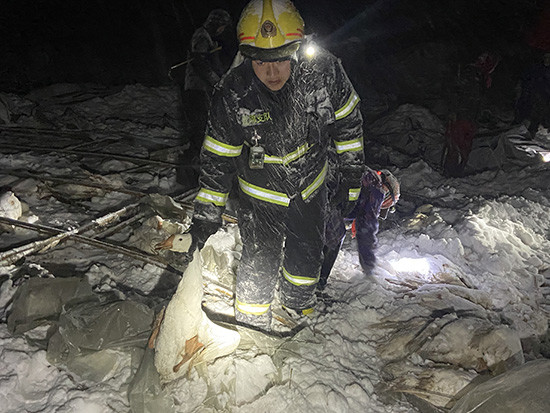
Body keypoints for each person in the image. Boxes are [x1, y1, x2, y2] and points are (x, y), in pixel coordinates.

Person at [187, 0, 365, 332]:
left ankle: (298, 311)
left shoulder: (324, 72)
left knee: (306, 255)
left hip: (310, 182)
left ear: (297, 48)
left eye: (282, 59)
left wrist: (352, 175)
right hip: (260, 189)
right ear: (247, 55)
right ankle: (252, 328)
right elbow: (217, 157)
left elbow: (349, 124)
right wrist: (206, 212)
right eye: (262, 62)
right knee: (259, 260)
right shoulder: (233, 92)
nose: (273, 72)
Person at [174, 9, 233, 187]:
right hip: (196, 91)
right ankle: (190, 175)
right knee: (199, 131)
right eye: (221, 26)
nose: (222, 30)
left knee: (205, 130)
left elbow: (213, 63)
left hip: (203, 90)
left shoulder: (210, 39)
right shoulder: (201, 37)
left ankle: (198, 172)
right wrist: (216, 82)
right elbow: (200, 63)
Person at [319, 168, 400, 290]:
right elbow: (366, 229)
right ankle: (318, 281)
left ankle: (312, 274)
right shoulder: (376, 188)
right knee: (335, 234)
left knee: (325, 233)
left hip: (320, 193)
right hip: (329, 201)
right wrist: (369, 267)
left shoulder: (366, 176)